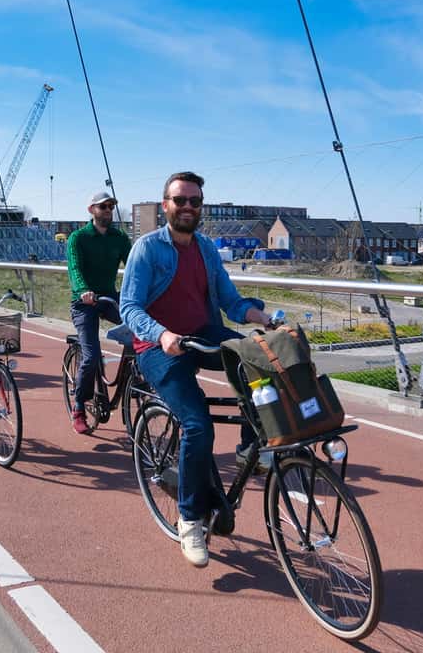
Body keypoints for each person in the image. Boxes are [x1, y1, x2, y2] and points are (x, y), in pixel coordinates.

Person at [120, 171, 272, 568]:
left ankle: (249, 448)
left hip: (201, 333)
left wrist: (261, 317)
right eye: (180, 200)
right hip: (158, 346)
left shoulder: (205, 248)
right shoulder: (147, 249)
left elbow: (231, 301)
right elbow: (130, 307)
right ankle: (190, 520)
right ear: (165, 205)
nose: (188, 207)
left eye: (195, 201)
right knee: (197, 423)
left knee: (256, 361)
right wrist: (161, 333)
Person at [66, 191, 131, 434]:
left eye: (111, 206)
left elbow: (134, 265)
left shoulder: (119, 238)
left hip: (109, 298)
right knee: (91, 356)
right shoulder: (78, 238)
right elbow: (74, 268)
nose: (108, 210)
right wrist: (83, 289)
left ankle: (136, 379)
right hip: (84, 302)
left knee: (143, 329)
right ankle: (79, 407)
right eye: (103, 206)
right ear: (91, 210)